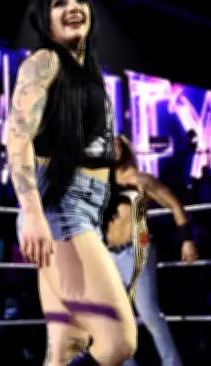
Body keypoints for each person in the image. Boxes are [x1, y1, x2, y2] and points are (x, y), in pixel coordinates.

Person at [7, 0, 136, 365]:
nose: (74, 7)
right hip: (59, 209)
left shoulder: (86, 73)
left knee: (65, 348)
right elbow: (17, 136)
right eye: (59, 3)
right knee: (118, 342)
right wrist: (32, 212)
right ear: (44, 22)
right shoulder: (44, 61)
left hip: (79, 210)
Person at [65, 135, 199, 365]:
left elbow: (174, 204)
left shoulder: (141, 180)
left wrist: (186, 240)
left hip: (138, 250)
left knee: (149, 315)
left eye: (117, 145)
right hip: (110, 255)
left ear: (126, 149)